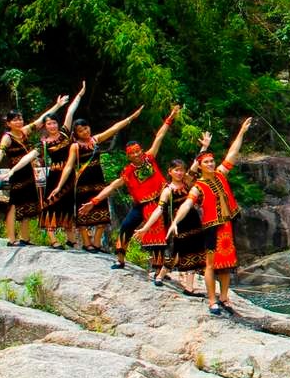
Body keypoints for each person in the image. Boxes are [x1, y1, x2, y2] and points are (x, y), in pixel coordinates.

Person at [79, 105, 181, 276]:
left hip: (161, 202)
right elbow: (112, 186)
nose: (136, 155)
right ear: (128, 155)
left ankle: (159, 269)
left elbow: (160, 136)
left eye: (137, 151)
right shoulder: (128, 172)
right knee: (126, 226)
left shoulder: (149, 157)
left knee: (161, 235)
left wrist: (170, 118)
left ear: (141, 150)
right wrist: (94, 201)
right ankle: (120, 260)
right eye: (132, 153)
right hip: (141, 205)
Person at [168, 118, 251, 316]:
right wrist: (174, 222)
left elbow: (232, 153)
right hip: (211, 228)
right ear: (201, 165)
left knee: (227, 264)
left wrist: (241, 132)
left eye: (212, 160)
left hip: (227, 224)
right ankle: (212, 300)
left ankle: (224, 297)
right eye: (206, 162)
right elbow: (187, 204)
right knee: (211, 265)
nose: (211, 163)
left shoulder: (221, 174)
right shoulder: (198, 186)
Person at [0, 95, 71, 245]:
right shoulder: (7, 138)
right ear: (8, 123)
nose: (19, 122)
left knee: (28, 206)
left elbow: (42, 119)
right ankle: (11, 239)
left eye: (20, 119)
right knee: (13, 205)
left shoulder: (24, 131)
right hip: (17, 173)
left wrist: (58, 105)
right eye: (15, 120)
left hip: (29, 171)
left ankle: (25, 238)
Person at [48, 106, 145, 253]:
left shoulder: (96, 140)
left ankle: (96, 243)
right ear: (76, 134)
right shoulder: (75, 146)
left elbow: (113, 129)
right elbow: (68, 167)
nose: (85, 132)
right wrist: (59, 186)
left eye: (86, 128)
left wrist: (131, 117)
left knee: (102, 214)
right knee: (83, 215)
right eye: (81, 131)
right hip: (82, 183)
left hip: (98, 182)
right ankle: (87, 243)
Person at [133, 132, 212, 296]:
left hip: (193, 221)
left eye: (181, 170)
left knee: (195, 252)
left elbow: (196, 165)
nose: (180, 173)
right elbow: (159, 210)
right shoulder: (168, 191)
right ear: (170, 172)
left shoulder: (187, 182)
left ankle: (188, 288)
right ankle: (161, 275)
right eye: (176, 170)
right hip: (177, 224)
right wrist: (145, 228)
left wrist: (204, 146)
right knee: (177, 252)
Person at [38, 82, 86, 248]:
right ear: (45, 126)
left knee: (67, 205)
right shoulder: (44, 143)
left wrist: (79, 95)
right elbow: (31, 156)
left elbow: (70, 111)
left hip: (70, 175)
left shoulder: (65, 133)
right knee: (51, 204)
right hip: (54, 174)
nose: (52, 126)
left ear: (58, 124)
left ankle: (71, 238)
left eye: (54, 123)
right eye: (48, 124)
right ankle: (53, 240)